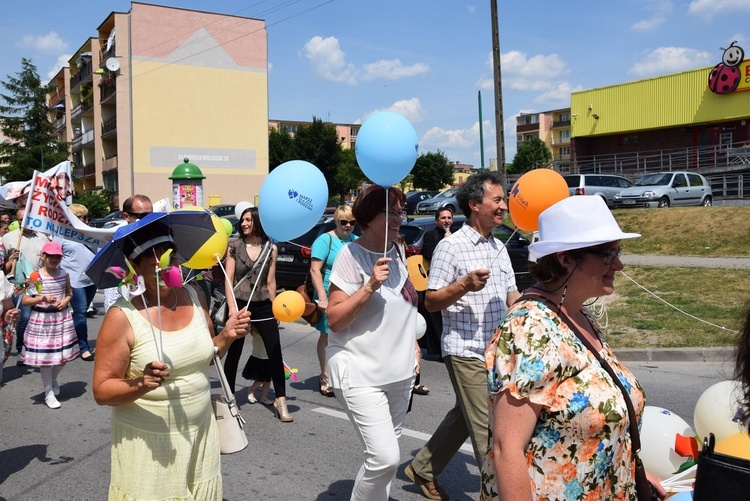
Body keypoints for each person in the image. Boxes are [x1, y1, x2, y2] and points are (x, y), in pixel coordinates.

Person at [482, 195, 666, 500]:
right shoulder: (529, 328)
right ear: (565, 258)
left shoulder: (578, 316)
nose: (618, 264)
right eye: (607, 255)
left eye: (617, 252)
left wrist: (632, 471)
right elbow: (506, 448)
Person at [92, 218, 251, 500]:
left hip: (201, 432)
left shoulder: (192, 294)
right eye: (155, 265)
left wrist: (226, 336)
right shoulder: (122, 316)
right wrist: (142, 382)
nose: (166, 270)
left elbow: (206, 354)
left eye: (172, 260)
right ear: (135, 269)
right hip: (150, 443)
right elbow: (102, 391)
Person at [406, 172, 520, 501]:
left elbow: (512, 294)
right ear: (474, 205)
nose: (503, 206)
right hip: (464, 350)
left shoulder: (500, 246)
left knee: (464, 415)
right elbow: (431, 300)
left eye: (503, 200)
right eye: (497, 200)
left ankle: (422, 468)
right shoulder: (450, 248)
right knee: (490, 435)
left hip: (495, 352)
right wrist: (464, 285)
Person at [326, 185, 420, 501]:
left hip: (398, 370)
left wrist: (414, 345)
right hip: (358, 369)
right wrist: (369, 286)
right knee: (384, 457)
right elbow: (335, 319)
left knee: (386, 460)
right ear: (369, 217)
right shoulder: (349, 255)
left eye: (400, 211)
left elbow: (401, 304)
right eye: (391, 212)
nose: (398, 218)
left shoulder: (398, 250)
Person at [223, 207, 291, 421]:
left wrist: (275, 306)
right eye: (242, 220)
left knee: (274, 351)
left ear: (257, 222)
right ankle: (229, 396)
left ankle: (281, 400)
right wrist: (232, 306)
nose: (243, 224)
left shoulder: (270, 248)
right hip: (239, 302)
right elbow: (229, 277)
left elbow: (271, 281)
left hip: (262, 304)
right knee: (234, 352)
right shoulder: (234, 245)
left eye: (248, 220)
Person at [309, 204, 358, 397]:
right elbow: (315, 270)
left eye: (352, 222)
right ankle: (326, 376)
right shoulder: (325, 240)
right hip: (329, 296)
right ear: (336, 221)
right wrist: (322, 297)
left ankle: (344, 375)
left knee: (350, 336)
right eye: (343, 222)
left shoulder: (356, 241)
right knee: (328, 336)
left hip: (351, 295)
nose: (347, 226)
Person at [21, 241, 77, 409]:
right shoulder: (35, 276)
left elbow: (69, 292)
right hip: (42, 321)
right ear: (43, 256)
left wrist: (66, 300)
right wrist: (42, 298)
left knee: (63, 358)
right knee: (46, 359)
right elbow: (25, 300)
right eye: (51, 256)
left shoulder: (64, 273)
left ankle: (52, 379)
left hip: (62, 319)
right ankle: (48, 393)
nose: (54, 259)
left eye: (58, 256)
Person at [3, 208, 50, 361]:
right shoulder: (8, 238)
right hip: (19, 283)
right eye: (22, 219)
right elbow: (3, 268)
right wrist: (12, 258)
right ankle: (21, 347)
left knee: (40, 317)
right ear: (18, 221)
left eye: (28, 218)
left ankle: (37, 346)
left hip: (38, 282)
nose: (26, 222)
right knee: (25, 316)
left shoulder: (43, 237)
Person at [56, 203, 97, 361]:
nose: (85, 220)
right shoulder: (62, 235)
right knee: (80, 313)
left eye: (86, 217)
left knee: (80, 313)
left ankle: (70, 340)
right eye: (81, 217)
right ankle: (83, 348)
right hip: (73, 280)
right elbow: (55, 257)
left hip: (91, 279)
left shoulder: (92, 233)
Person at [103, 195, 153, 313]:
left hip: (151, 297)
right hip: (125, 296)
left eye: (151, 215)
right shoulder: (117, 240)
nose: (148, 220)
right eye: (142, 216)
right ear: (126, 216)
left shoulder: (156, 236)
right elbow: (113, 281)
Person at [418, 207, 455, 360]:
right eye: (443, 218)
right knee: (437, 319)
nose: (446, 220)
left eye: (449, 218)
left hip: (451, 281)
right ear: (437, 220)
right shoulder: (430, 235)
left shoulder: (456, 236)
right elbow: (427, 253)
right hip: (435, 281)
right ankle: (440, 350)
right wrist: (445, 241)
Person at [242, 327, 273, 405]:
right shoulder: (256, 329)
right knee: (261, 378)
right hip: (259, 356)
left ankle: (264, 398)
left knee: (268, 380)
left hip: (269, 356)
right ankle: (251, 389)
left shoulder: (271, 329)